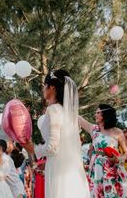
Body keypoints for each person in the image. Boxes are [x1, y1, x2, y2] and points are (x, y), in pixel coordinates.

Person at [23, 70, 90, 198]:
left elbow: (52, 147)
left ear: (52, 87)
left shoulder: (53, 109)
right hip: (70, 169)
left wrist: (33, 149)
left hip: (59, 172)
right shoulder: (68, 113)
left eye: (44, 85)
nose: (43, 89)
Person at [79, 104, 127, 197]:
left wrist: (119, 159)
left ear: (105, 114)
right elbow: (79, 119)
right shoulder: (94, 130)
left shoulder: (118, 132)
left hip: (112, 168)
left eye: (97, 112)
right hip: (96, 169)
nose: (95, 115)